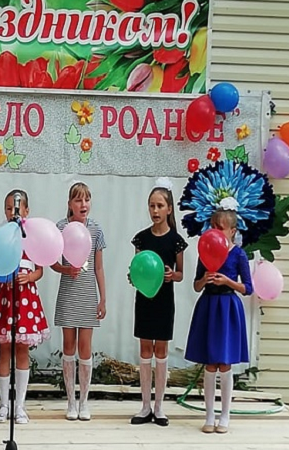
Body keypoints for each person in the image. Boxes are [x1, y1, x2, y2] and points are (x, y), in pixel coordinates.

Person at [0, 189, 50, 425]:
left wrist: (29, 278)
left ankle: (20, 405)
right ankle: (3, 404)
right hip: (5, 298)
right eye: (9, 208)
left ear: (27, 211)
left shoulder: (32, 237)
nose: (13, 212)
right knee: (4, 350)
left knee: (22, 350)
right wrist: (3, 276)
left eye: (17, 208)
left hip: (26, 299)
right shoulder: (1, 235)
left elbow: (40, 270)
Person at [185, 207, 253, 434]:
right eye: (213, 227)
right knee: (209, 363)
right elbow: (196, 286)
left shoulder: (238, 254)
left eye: (220, 228)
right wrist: (204, 279)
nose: (215, 231)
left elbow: (248, 288)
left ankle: (225, 415)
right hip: (208, 306)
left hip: (227, 308)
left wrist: (228, 282)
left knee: (224, 362)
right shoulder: (205, 250)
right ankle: (209, 415)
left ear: (232, 231)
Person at [128, 178, 187, 426]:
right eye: (152, 206)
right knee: (145, 350)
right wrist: (133, 277)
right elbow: (137, 268)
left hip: (164, 300)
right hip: (145, 299)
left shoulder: (176, 240)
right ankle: (145, 406)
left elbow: (181, 274)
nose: (155, 210)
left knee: (161, 350)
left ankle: (160, 407)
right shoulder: (141, 239)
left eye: (160, 206)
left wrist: (172, 275)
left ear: (169, 209)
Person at [51, 181, 106, 421]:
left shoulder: (96, 230)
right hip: (68, 293)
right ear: (70, 204)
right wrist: (66, 269)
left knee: (85, 347)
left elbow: (98, 267)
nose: (83, 204)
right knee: (69, 346)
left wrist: (103, 299)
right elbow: (51, 261)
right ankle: (70, 402)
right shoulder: (61, 227)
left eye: (87, 199)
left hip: (87, 294)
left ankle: (84, 401)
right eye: (78, 200)